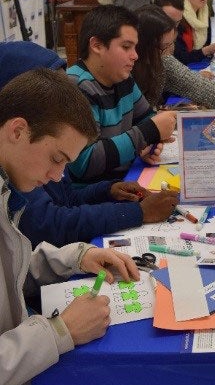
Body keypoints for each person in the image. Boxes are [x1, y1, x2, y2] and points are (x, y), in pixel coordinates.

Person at [0, 69, 195, 385]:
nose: (56, 177)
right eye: (56, 158)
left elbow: (14, 260)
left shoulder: (8, 178)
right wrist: (60, 332)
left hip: (29, 342)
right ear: (16, 130)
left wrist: (76, 257)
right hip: (18, 373)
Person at [0, 40, 179, 247]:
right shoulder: (21, 165)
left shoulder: (31, 157)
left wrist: (107, 190)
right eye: (56, 159)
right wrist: (136, 212)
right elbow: (48, 224)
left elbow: (66, 199)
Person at [66, 5, 177, 184]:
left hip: (122, 182)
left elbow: (146, 118)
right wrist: (148, 132)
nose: (135, 56)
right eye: (126, 47)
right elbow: (83, 164)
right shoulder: (77, 86)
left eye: (135, 47)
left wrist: (148, 144)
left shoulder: (122, 78)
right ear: (97, 45)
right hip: (95, 197)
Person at [132, 5, 215, 124]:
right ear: (145, 46)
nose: (170, 51)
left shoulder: (163, 59)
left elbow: (198, 85)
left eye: (171, 43)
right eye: (165, 46)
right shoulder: (127, 70)